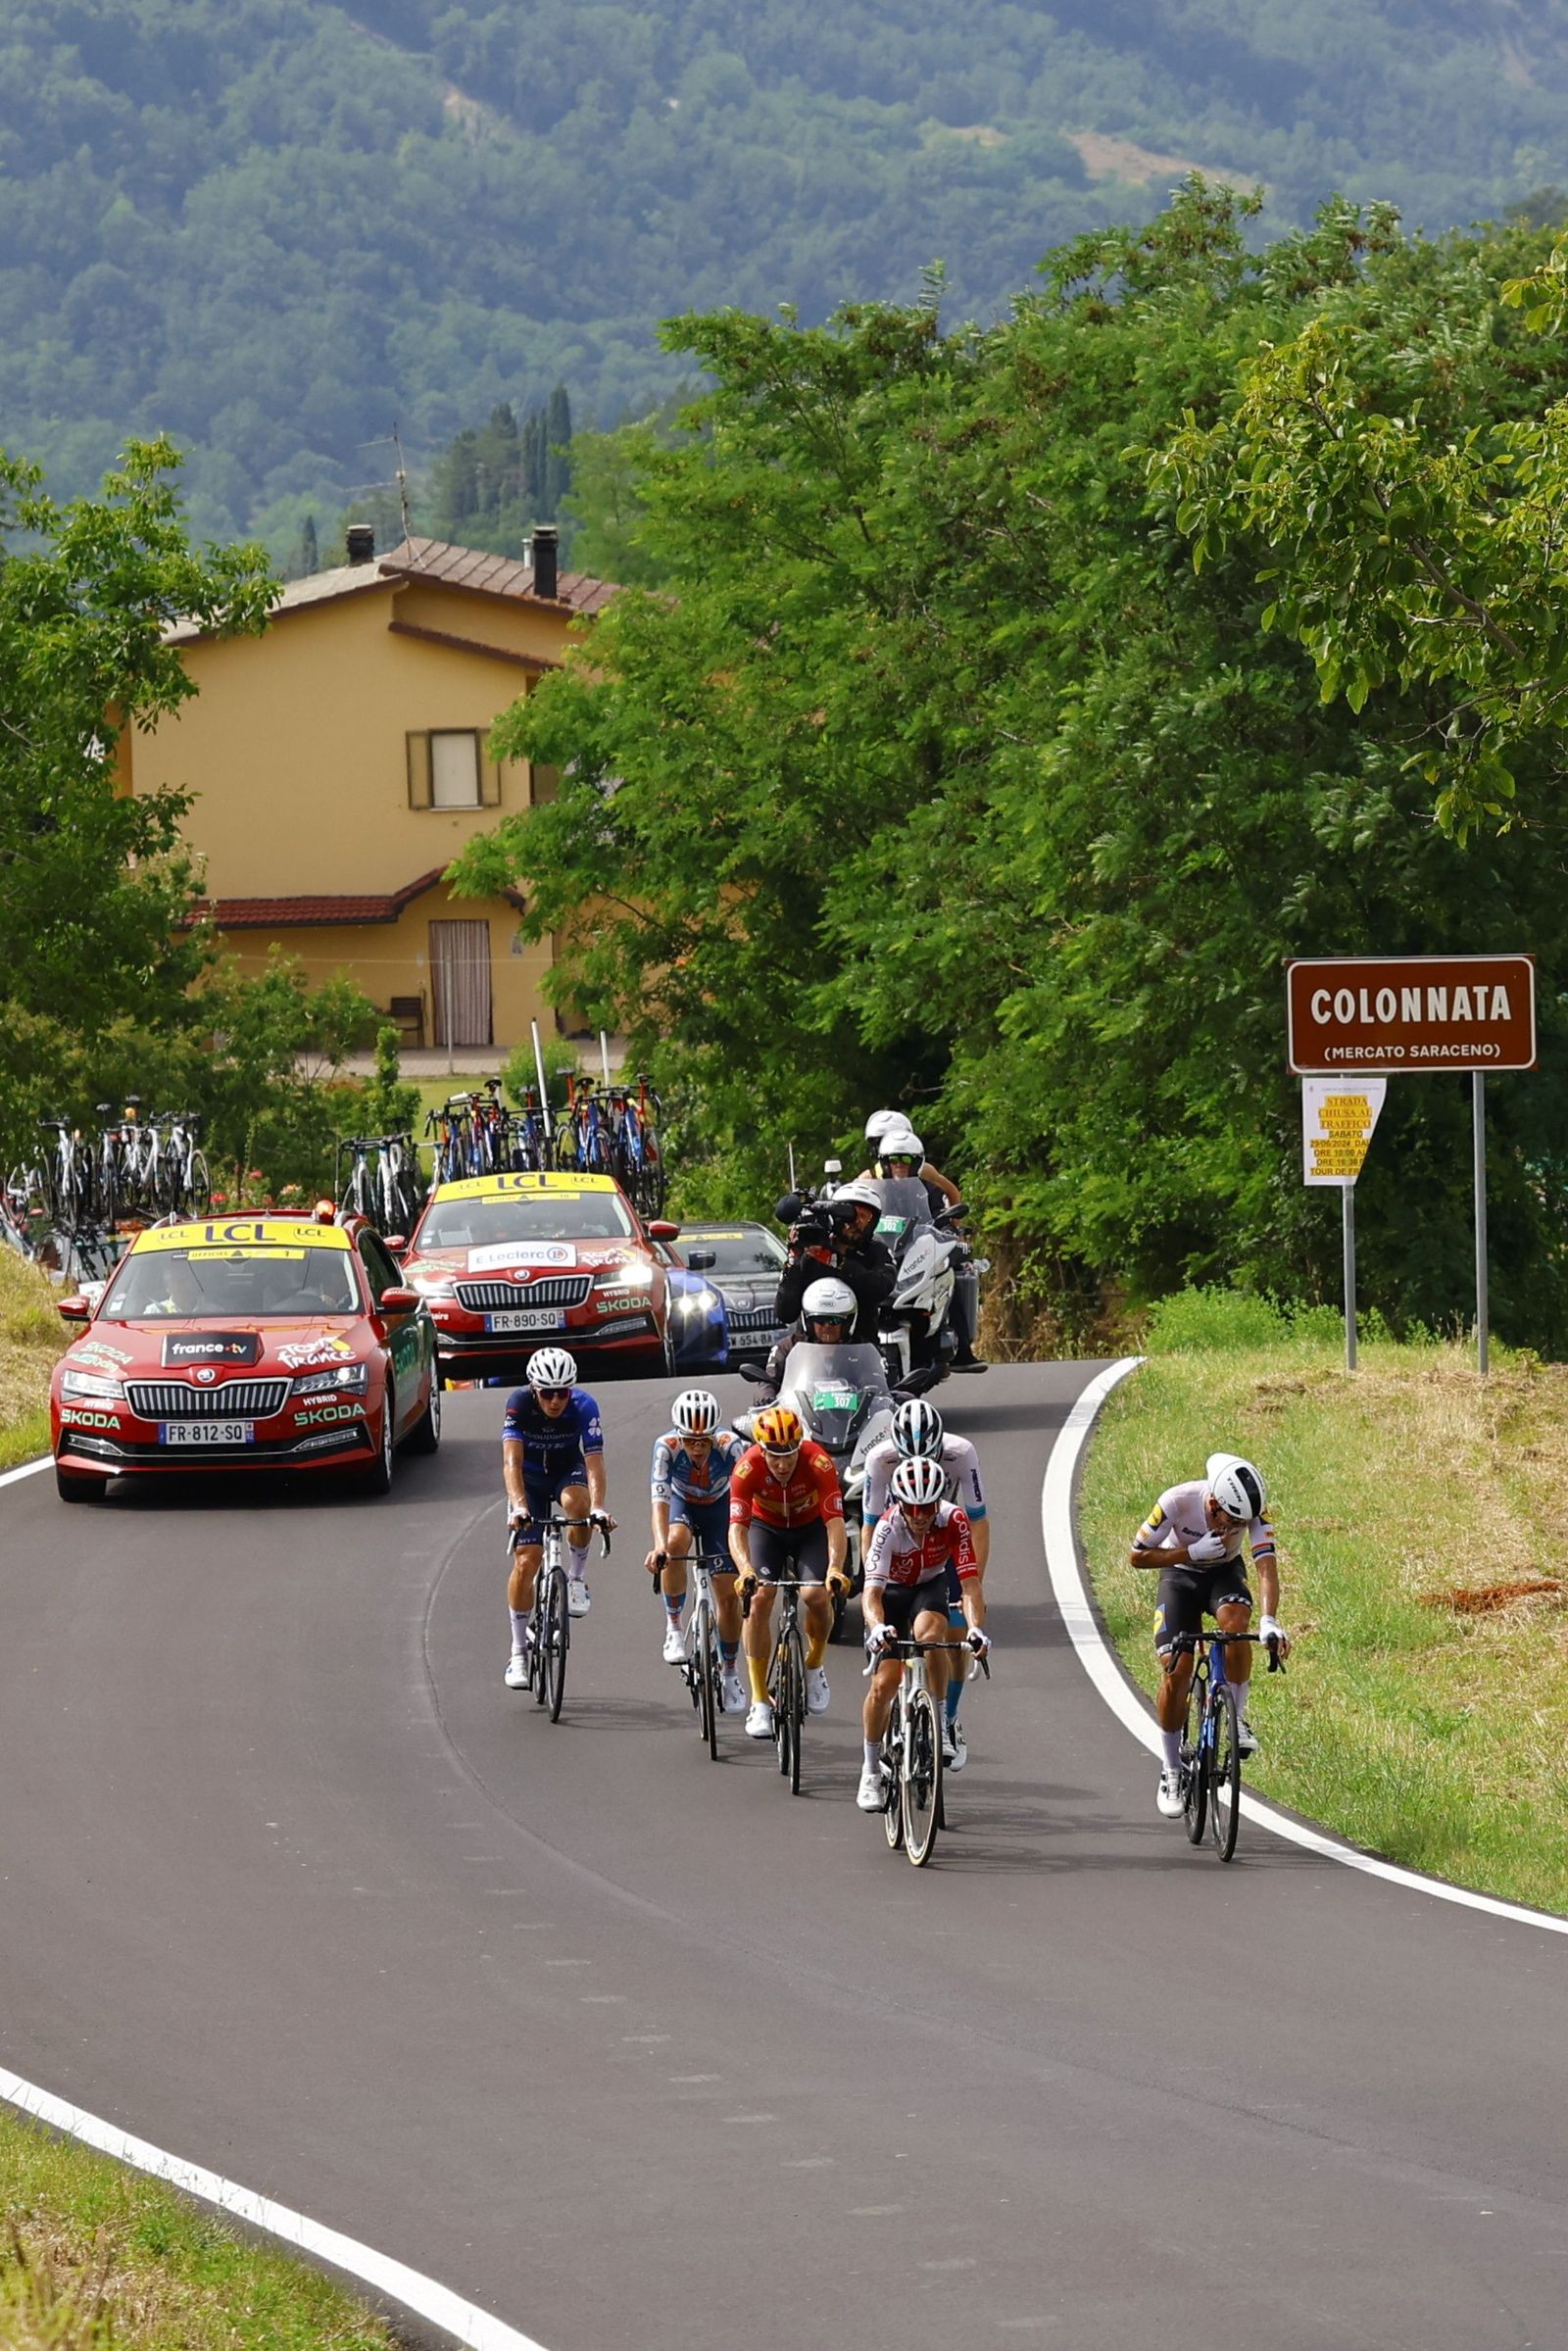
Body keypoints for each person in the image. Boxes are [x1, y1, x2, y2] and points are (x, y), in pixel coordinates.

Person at [1129, 1453, 1289, 1817]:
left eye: (1242, 1523)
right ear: (1214, 1503)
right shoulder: (1177, 1501)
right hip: (1178, 1574)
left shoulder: (1252, 1512)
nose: (1234, 1528)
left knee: (1236, 1627)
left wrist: (1269, 1620)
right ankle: (1170, 1769)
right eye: (1231, 1521)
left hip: (1223, 1574)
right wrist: (1188, 1552)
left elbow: (1266, 1566)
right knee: (1178, 1668)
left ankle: (1237, 1715)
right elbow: (1136, 1556)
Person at [859, 1396, 988, 1766]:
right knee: (884, 1680)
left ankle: (947, 1720)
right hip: (894, 1555)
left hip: (942, 1545)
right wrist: (874, 1589)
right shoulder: (880, 1461)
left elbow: (978, 1520)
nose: (919, 1463)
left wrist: (973, 1586)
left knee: (955, 1633)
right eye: (908, 1458)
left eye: (929, 1457)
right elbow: (870, 1527)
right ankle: (872, 1764)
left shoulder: (961, 1454)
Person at [728, 1402, 850, 1739]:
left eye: (790, 1454)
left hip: (809, 1529)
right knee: (760, 1596)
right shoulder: (746, 1467)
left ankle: (813, 1666)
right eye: (774, 1455)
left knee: (816, 1595)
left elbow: (836, 1523)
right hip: (765, 1530)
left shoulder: (818, 1462)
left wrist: (836, 1569)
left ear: (800, 1446)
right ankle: (759, 1701)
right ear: (760, 1449)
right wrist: (745, 1569)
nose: (782, 1464)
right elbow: (737, 1527)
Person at [502, 1347, 614, 1688]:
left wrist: (598, 1507)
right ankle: (519, 1652)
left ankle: (576, 1578)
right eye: (548, 1393)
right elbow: (512, 1463)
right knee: (527, 1561)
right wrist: (519, 1505)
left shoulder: (584, 1406)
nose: (555, 1401)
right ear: (534, 1390)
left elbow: (594, 1463)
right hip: (530, 1481)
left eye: (562, 1393)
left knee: (578, 1505)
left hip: (567, 1470)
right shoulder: (518, 1403)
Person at [647, 1386, 746, 1710]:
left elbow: (747, 1498)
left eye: (704, 1441)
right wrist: (660, 1547)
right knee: (675, 1545)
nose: (698, 1448)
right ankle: (673, 1626)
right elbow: (659, 1502)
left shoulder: (731, 1447)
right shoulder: (666, 1448)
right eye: (690, 1440)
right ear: (679, 1435)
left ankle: (730, 1673)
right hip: (683, 1505)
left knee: (728, 1597)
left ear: (715, 1434)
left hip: (720, 1507)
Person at [864, 1122, 986, 1372]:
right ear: (884, 1160)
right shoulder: (868, 1182)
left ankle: (962, 1349)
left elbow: (947, 1203)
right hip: (883, 1248)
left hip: (917, 1246)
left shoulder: (928, 1181)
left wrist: (953, 1231)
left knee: (948, 1274)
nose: (900, 1164)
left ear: (916, 1161)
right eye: (894, 1159)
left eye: (906, 1159)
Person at [767, 1183, 895, 1360]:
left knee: (891, 1381)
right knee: (774, 1372)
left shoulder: (877, 1252)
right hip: (809, 1355)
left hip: (860, 1353)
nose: (854, 1223)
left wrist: (837, 1261)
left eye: (863, 1216)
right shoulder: (812, 1252)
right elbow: (785, 1312)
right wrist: (794, 1260)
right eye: (849, 1213)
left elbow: (881, 1287)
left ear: (873, 1222)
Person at [756, 1273, 879, 1401]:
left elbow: (879, 1385)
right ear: (808, 1321)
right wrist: (767, 1398)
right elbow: (767, 1382)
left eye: (834, 1320)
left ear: (847, 1322)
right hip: (799, 1417)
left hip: (855, 1418)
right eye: (819, 1319)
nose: (827, 1326)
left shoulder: (862, 1351)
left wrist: (886, 1397)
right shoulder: (787, 1347)